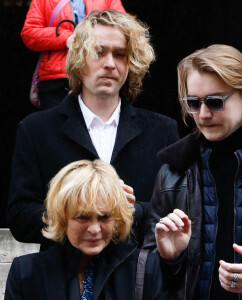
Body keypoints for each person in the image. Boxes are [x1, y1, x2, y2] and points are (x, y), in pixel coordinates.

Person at [8, 9, 179, 250]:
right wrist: (75, 211)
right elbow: (19, 217)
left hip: (137, 279)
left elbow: (178, 210)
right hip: (62, 279)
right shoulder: (36, 130)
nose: (110, 64)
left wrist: (132, 211)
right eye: (99, 52)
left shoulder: (162, 131)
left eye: (120, 54)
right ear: (79, 58)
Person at [143, 44, 242, 300]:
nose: (203, 114)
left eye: (215, 102)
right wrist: (169, 258)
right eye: (193, 103)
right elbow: (149, 277)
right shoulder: (172, 174)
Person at [5, 159, 164, 299]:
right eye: (82, 217)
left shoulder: (144, 269)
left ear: (117, 217)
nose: (94, 229)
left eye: (104, 217)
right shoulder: (26, 273)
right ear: (62, 217)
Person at [21, 0, 125, 109]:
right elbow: (29, 33)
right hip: (57, 78)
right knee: (57, 123)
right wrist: (66, 38)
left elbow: (124, 28)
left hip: (96, 73)